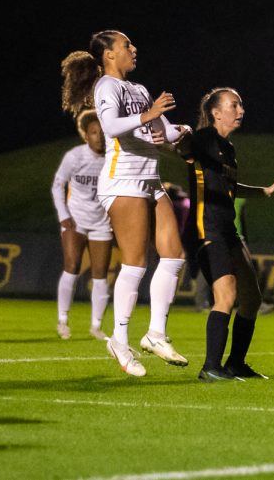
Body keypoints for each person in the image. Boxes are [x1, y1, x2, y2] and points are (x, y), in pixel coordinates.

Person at [60, 30, 191, 377]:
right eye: (126, 46)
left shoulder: (140, 90)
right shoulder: (106, 86)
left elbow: (163, 133)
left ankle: (156, 334)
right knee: (135, 263)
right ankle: (119, 339)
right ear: (108, 56)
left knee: (174, 255)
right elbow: (112, 127)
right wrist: (150, 117)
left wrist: (182, 131)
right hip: (123, 181)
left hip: (149, 180)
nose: (134, 49)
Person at [177, 87, 274, 382]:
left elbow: (229, 186)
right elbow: (181, 149)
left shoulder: (228, 148)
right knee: (226, 295)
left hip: (227, 229)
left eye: (241, 105)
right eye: (234, 105)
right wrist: (175, 138)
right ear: (216, 112)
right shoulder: (202, 139)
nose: (241, 110)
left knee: (251, 297)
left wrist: (263, 191)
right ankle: (210, 367)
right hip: (206, 229)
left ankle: (236, 363)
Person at [50, 109, 113, 341]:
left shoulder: (112, 158)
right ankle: (63, 320)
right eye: (94, 132)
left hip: (102, 223)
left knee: (100, 275)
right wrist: (63, 215)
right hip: (75, 220)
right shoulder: (75, 157)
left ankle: (96, 326)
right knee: (72, 266)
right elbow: (58, 185)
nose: (99, 136)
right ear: (85, 135)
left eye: (102, 132)